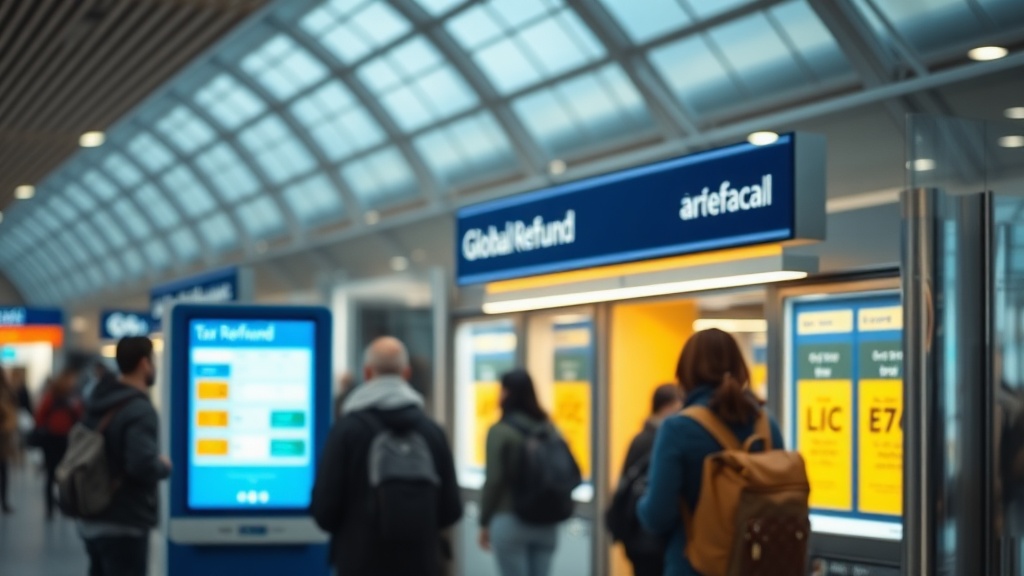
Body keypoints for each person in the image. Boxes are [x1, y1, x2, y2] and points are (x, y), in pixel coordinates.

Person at [637, 329, 785, 576]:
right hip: (760, 564)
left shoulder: (677, 428)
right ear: (740, 367)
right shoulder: (765, 423)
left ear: (685, 372)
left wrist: (640, 502)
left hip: (696, 567)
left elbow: (657, 516)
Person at [311, 336, 462, 576]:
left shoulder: (346, 430)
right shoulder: (432, 432)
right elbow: (451, 510)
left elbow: (324, 511)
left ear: (367, 373)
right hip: (421, 564)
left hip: (360, 563)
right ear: (407, 373)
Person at [79, 336, 171, 576]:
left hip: (91, 514)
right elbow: (140, 464)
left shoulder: (99, 400)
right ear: (144, 363)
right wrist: (162, 466)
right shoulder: (139, 409)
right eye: (153, 361)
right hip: (124, 520)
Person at [478, 369, 560, 576]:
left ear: (506, 393)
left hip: (510, 518)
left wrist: (484, 520)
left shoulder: (500, 431)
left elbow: (494, 480)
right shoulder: (549, 428)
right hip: (546, 519)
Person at [614, 384, 683, 576]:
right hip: (649, 536)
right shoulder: (662, 440)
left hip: (636, 535)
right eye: (678, 407)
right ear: (666, 407)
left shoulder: (640, 439)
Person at [34, 367, 83, 519]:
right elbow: (40, 416)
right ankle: (54, 507)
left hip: (61, 439)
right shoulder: (55, 397)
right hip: (55, 439)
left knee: (59, 475)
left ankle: (60, 506)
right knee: (55, 475)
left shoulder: (67, 398)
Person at [0, 369, 17, 513]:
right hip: (4, 436)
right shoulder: (7, 393)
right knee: (4, 470)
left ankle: (4, 502)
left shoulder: (6, 394)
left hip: (3, 436)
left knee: (4, 470)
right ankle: (4, 502)